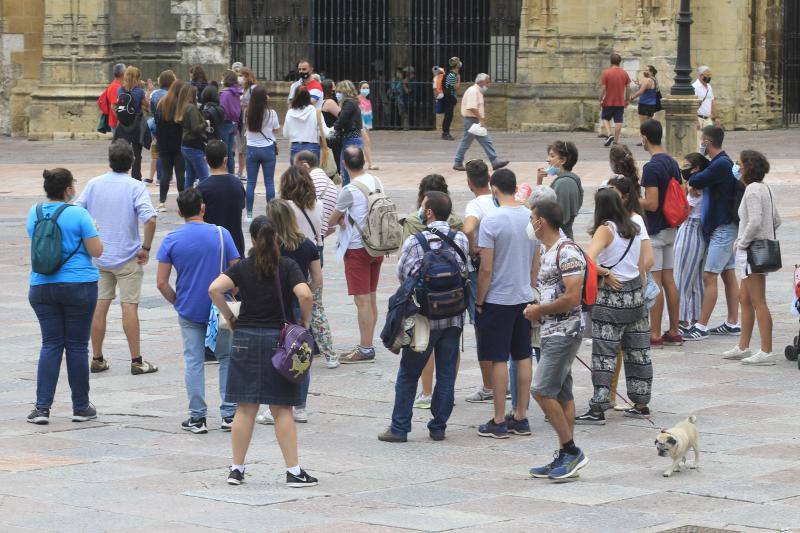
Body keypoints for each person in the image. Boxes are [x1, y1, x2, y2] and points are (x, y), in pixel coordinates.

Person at [208, 218, 317, 488]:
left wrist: (229, 317)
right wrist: (304, 321)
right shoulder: (287, 266)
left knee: (245, 408)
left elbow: (214, 289)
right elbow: (305, 294)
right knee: (282, 409)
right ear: (277, 238)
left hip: (245, 338)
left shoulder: (244, 267)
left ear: (253, 239)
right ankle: (293, 471)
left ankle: (236, 469)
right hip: (276, 340)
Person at [378, 191, 469, 442]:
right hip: (453, 317)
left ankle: (399, 427)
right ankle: (438, 426)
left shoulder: (415, 242)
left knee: (409, 372)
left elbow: (403, 275)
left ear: (428, 212)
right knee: (447, 373)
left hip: (423, 320)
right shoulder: (460, 239)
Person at [156, 189, 239, 434]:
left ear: (179, 211)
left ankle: (198, 416)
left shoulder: (171, 239)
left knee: (194, 361)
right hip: (221, 306)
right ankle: (229, 413)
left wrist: (177, 301)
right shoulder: (222, 234)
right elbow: (237, 270)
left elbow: (161, 282)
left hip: (189, 307)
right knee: (226, 358)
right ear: (203, 208)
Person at [26, 168, 104, 425]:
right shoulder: (79, 214)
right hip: (78, 285)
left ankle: (42, 408)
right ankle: (81, 406)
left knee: (50, 345)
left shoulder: (34, 213)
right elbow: (97, 251)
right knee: (77, 346)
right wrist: (95, 230)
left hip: (41, 286)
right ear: (68, 189)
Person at [75, 140, 159, 375]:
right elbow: (150, 219)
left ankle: (97, 357)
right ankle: (136, 360)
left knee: (99, 306)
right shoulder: (135, 186)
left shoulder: (94, 184)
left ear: (110, 160)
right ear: (132, 160)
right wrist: (146, 248)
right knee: (129, 306)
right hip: (128, 255)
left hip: (100, 255)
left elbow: (77, 210)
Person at [574, 189, 653, 425]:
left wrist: (605, 272)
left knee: (604, 354)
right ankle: (641, 402)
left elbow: (587, 259)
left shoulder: (606, 229)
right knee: (638, 352)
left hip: (611, 297)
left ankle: (599, 406)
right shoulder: (633, 227)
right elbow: (642, 262)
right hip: (635, 296)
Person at [525, 200, 589, 481]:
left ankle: (572, 450)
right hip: (551, 331)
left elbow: (573, 297)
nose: (530, 223)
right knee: (563, 393)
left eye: (532, 218)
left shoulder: (568, 251)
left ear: (542, 222)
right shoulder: (547, 250)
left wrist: (539, 310)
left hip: (565, 331)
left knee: (540, 390)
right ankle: (565, 455)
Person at [475, 169, 536, 439]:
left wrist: (479, 299)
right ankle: (521, 415)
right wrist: (530, 286)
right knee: (523, 355)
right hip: (523, 295)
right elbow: (535, 262)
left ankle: (499, 418)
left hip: (498, 297)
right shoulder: (530, 218)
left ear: (495, 189)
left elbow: (486, 268)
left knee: (498, 357)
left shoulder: (492, 220)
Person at [397, 174, 464, 410]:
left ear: (427, 209)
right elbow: (466, 266)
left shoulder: (413, 228)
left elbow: (403, 271)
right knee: (449, 359)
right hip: (453, 305)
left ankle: (425, 394)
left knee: (421, 348)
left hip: (424, 305)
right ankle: (445, 403)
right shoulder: (459, 229)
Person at [255, 200, 322, 426]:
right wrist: (303, 293)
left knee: (276, 354)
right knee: (301, 353)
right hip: (299, 304)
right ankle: (300, 407)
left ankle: (275, 404)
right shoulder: (307, 245)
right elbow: (318, 280)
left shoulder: (272, 246)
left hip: (275, 305)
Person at [684, 125, 741, 341]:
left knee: (709, 275)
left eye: (703, 141)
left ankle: (701, 325)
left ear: (707, 142)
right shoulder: (722, 162)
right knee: (728, 274)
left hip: (723, 229)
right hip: (725, 226)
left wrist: (699, 156)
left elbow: (695, 179)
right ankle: (732, 322)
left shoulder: (720, 164)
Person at [328, 147, 385, 364]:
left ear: (344, 164)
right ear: (363, 161)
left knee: (361, 300)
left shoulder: (349, 190)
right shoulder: (377, 181)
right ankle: (368, 342)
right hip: (376, 245)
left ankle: (366, 348)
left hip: (356, 248)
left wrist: (342, 221)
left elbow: (334, 219)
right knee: (370, 297)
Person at [725, 150, 781, 365]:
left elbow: (755, 221)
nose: (737, 167)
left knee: (758, 301)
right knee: (745, 299)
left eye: (740, 164)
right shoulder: (766, 188)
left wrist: (743, 242)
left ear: (748, 167)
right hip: (756, 250)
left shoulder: (751, 191)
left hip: (751, 252)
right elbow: (776, 219)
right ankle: (743, 345)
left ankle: (766, 350)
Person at [639, 119, 683, 347]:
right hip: (672, 226)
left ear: (645, 137)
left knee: (655, 282)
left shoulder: (651, 167)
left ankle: (654, 333)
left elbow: (652, 203)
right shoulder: (672, 162)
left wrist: (630, 200)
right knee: (669, 280)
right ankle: (674, 330)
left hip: (656, 228)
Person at [461, 159, 499, 403]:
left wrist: (473, 245)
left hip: (482, 270)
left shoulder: (475, 205)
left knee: (481, 324)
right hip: (504, 267)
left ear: (469, 182)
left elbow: (466, 229)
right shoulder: (499, 200)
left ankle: (489, 385)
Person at [674, 153, 710, 328]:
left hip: (691, 228)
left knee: (682, 277)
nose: (684, 168)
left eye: (688, 165)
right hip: (699, 230)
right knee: (696, 279)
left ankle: (681, 319)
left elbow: (685, 207)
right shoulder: (701, 183)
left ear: (696, 168)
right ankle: (696, 318)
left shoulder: (696, 185)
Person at [198, 140, 246, 256]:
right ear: (225, 160)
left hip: (211, 245)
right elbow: (241, 206)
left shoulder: (201, 189)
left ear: (206, 160)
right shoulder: (238, 184)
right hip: (235, 245)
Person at [452, 74, 509, 172]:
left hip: (474, 120)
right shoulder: (473, 91)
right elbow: (472, 107)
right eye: (487, 82)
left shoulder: (477, 91)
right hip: (472, 120)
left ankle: (494, 161)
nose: (489, 85)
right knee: (468, 142)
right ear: (481, 82)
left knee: (485, 141)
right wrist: (481, 119)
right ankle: (457, 162)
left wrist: (480, 119)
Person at [244, 85, 281, 220]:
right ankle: (270, 214)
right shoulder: (272, 113)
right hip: (268, 149)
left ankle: (249, 214)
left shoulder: (247, 112)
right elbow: (276, 130)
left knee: (251, 182)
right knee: (269, 182)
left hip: (252, 149)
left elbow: (246, 127)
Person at [536, 141, 583, 239]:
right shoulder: (570, 179)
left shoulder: (563, 183)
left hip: (560, 239)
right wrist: (539, 181)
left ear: (563, 160)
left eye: (552, 156)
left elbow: (557, 217)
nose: (548, 160)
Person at [113, 66, 149, 181]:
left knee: (122, 150)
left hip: (123, 124)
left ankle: (120, 174)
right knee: (137, 153)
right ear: (136, 78)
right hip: (136, 125)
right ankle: (136, 177)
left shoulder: (120, 90)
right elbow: (146, 105)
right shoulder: (139, 91)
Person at [155, 79, 186, 211]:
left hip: (163, 143)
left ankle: (162, 202)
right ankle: (183, 202)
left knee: (166, 173)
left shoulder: (162, 102)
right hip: (179, 143)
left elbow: (157, 122)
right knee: (180, 173)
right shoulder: (181, 105)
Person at [283, 87, 327, 165]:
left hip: (295, 146)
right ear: (308, 97)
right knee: (312, 175)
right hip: (312, 146)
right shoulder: (315, 112)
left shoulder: (290, 113)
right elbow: (324, 132)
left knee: (297, 175)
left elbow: (285, 134)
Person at [147, 70, 176, 185]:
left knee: (160, 151)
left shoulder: (155, 94)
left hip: (158, 125)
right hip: (173, 125)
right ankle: (169, 174)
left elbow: (151, 109)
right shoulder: (174, 93)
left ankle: (160, 177)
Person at [177, 84, 209, 188]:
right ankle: (205, 200)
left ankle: (187, 200)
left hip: (185, 145)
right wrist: (206, 123)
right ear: (190, 95)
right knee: (204, 176)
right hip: (194, 145)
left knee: (190, 177)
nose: (197, 97)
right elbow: (196, 128)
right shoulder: (191, 108)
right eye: (195, 95)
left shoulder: (183, 107)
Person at [333, 80, 364, 186]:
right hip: (351, 139)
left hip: (351, 140)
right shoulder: (352, 103)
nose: (337, 94)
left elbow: (342, 119)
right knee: (348, 170)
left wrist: (334, 128)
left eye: (339, 91)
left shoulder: (349, 103)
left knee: (347, 171)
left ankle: (348, 195)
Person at [599, 53, 631, 147]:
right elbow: (628, 87)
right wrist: (627, 99)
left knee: (605, 118)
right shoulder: (624, 73)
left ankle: (609, 134)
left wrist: (600, 99)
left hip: (608, 101)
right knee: (618, 121)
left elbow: (603, 88)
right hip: (620, 102)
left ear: (611, 61)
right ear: (619, 62)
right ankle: (616, 141)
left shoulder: (606, 73)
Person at [219, 70, 244, 175]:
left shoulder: (224, 94)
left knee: (224, 151)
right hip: (234, 123)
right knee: (229, 150)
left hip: (224, 123)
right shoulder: (236, 92)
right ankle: (231, 173)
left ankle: (225, 172)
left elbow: (222, 109)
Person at [236, 67, 258, 179]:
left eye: (241, 75)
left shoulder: (253, 89)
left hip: (248, 121)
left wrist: (246, 106)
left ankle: (246, 172)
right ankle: (240, 171)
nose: (239, 78)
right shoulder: (242, 89)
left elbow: (258, 103)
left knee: (246, 147)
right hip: (241, 120)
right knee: (241, 148)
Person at [693, 66, 721, 150]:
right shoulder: (694, 87)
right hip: (699, 118)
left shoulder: (709, 87)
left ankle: (708, 159)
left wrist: (716, 117)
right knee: (699, 143)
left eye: (710, 75)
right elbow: (692, 105)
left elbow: (712, 102)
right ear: (701, 75)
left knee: (710, 141)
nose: (709, 77)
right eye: (707, 75)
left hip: (707, 119)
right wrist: (695, 120)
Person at [321, 79, 342, 175]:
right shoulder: (330, 102)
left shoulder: (321, 102)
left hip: (326, 136)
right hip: (333, 136)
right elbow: (341, 115)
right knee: (335, 163)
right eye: (333, 87)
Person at [357, 81, 379, 171]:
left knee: (362, 143)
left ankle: (362, 162)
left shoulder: (368, 101)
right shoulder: (357, 99)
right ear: (359, 89)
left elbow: (368, 115)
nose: (366, 90)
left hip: (364, 125)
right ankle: (369, 163)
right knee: (366, 142)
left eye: (367, 88)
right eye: (364, 88)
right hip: (359, 124)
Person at [102, 63, 125, 133]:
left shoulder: (118, 85)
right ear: (122, 73)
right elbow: (114, 106)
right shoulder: (115, 87)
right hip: (117, 123)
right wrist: (122, 121)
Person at [441, 57, 461, 141]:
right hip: (450, 97)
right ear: (457, 66)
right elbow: (456, 88)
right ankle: (446, 132)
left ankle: (446, 132)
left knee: (448, 115)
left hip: (449, 96)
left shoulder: (450, 74)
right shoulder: (452, 75)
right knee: (448, 115)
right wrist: (459, 79)